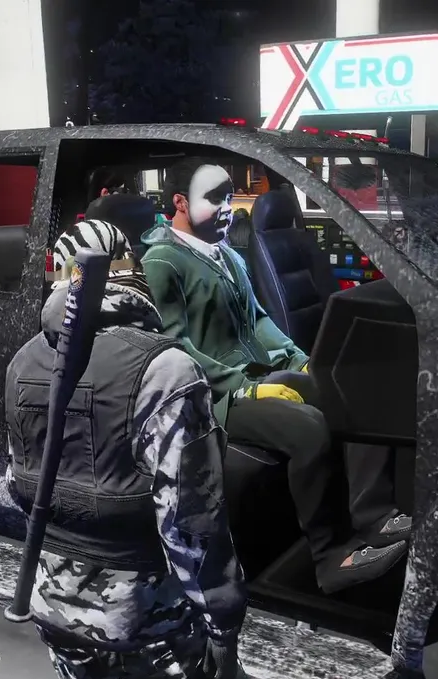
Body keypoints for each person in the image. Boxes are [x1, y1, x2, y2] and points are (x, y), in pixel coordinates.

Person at [6, 219, 252, 679]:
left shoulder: (21, 363)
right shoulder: (167, 369)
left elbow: (18, 484)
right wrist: (224, 626)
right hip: (147, 618)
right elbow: (191, 523)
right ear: (133, 272)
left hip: (54, 606)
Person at [140, 159, 411, 594]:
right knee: (308, 429)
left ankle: (372, 515)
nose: (227, 208)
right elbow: (175, 350)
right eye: (214, 198)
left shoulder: (227, 254)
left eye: (229, 198)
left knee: (352, 395)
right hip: (213, 395)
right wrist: (246, 388)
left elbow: (260, 321)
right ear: (181, 203)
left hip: (257, 375)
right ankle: (328, 557)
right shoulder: (162, 262)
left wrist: (300, 360)